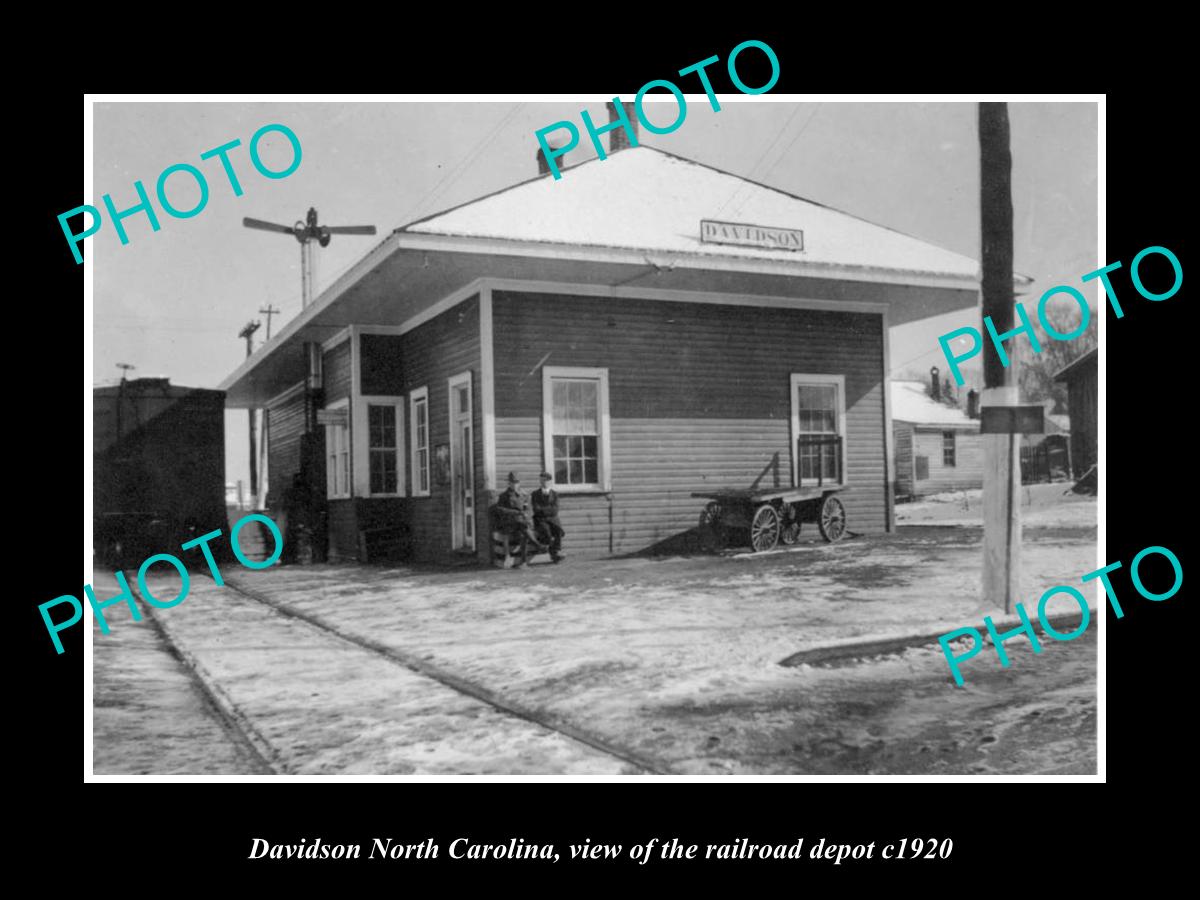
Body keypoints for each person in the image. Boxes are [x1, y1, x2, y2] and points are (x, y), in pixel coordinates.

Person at [495, 472, 543, 567]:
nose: (514, 485)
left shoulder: (524, 495)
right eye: (512, 482)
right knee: (522, 526)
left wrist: (527, 516)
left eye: (516, 482)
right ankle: (538, 545)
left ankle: (524, 562)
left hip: (522, 523)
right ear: (509, 483)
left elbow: (529, 510)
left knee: (523, 534)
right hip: (509, 523)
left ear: (519, 483)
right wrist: (516, 513)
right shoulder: (504, 496)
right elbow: (500, 509)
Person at [531, 471, 565, 563]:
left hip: (553, 519)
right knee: (546, 532)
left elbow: (555, 509)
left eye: (546, 481)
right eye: (541, 481)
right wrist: (548, 510)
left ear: (550, 482)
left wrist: (543, 510)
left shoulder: (555, 494)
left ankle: (555, 552)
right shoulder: (535, 494)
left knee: (558, 531)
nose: (543, 483)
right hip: (540, 520)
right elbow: (536, 509)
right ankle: (554, 553)